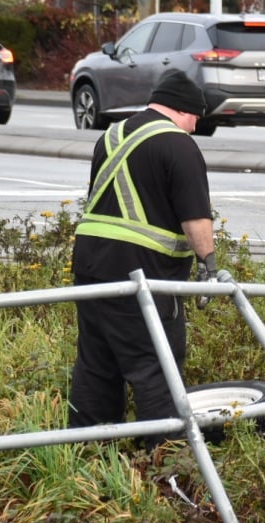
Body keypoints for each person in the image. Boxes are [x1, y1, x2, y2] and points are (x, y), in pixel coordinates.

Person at [69, 70, 217, 451]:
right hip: (142, 273)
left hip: (90, 266)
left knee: (95, 364)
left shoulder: (111, 136)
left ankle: (88, 453)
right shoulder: (178, 144)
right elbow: (196, 218)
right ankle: (162, 461)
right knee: (155, 364)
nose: (196, 125)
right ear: (183, 110)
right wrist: (209, 264)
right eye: (196, 117)